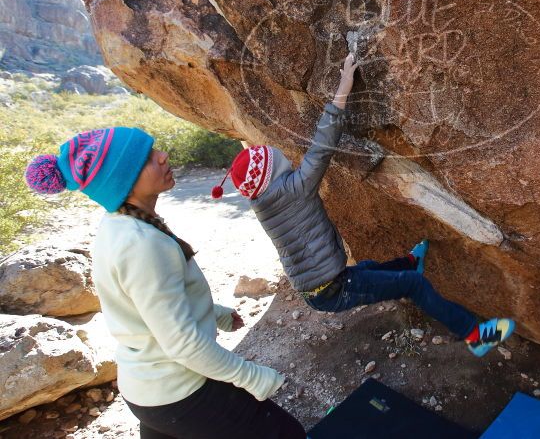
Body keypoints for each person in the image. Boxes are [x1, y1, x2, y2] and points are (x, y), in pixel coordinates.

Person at [212, 53, 515, 357]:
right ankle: (474, 335)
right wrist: (344, 85)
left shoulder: (264, 203)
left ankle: (411, 262)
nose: (286, 160)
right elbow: (322, 146)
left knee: (369, 270)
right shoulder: (295, 189)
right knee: (412, 286)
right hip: (332, 287)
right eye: (278, 160)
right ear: (272, 172)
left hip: (320, 288)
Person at [24, 127, 304, 439]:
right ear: (124, 181)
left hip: (146, 391)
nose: (163, 156)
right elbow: (183, 344)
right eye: (146, 158)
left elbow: (151, 308)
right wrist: (251, 376)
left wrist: (215, 313)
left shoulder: (117, 228)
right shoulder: (143, 244)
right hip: (179, 393)